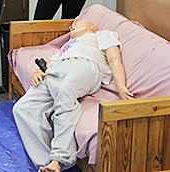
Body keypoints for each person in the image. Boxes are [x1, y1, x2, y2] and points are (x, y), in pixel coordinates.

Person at [13, 19, 134, 172]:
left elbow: (114, 59)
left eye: (77, 24)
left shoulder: (101, 35)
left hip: (85, 65)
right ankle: (46, 162)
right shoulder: (67, 45)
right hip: (57, 69)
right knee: (22, 108)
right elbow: (50, 63)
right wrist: (38, 72)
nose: (71, 26)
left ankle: (59, 159)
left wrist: (121, 85)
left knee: (65, 93)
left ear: (90, 26)